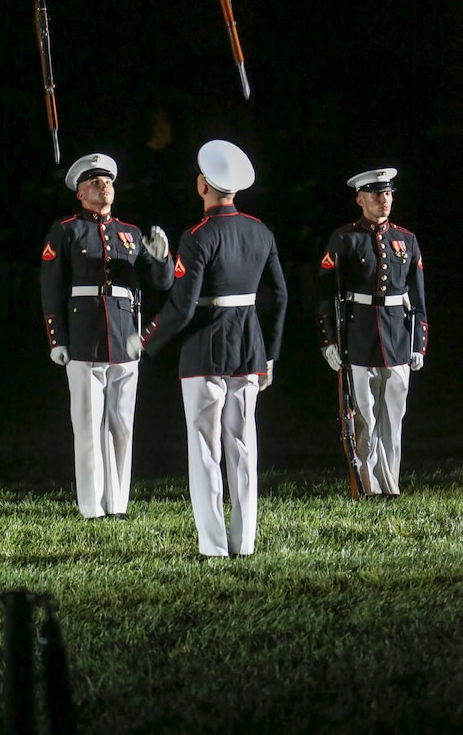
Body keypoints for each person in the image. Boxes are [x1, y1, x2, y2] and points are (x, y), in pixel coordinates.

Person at [127, 140, 288, 557]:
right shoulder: (261, 231)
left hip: (205, 349)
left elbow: (181, 306)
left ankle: (213, 544)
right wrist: (270, 353)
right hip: (249, 348)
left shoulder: (198, 236)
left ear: (203, 185)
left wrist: (145, 340)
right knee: (243, 447)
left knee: (205, 449)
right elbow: (280, 297)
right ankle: (245, 540)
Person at [40, 152, 175, 520]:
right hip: (85, 338)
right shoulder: (66, 230)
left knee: (121, 426)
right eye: (95, 182)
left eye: (109, 181)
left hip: (124, 335)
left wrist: (162, 260)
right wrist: (57, 339)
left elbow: (161, 284)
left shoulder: (129, 234)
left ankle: (117, 504)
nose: (105, 186)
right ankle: (91, 506)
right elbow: (51, 287)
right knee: (87, 427)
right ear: (80, 194)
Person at [317, 167, 427, 497]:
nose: (384, 200)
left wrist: (419, 343)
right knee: (364, 418)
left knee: (394, 417)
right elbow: (325, 294)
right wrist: (329, 341)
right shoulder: (344, 239)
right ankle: (368, 486)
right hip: (359, 335)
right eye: (377, 194)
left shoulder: (406, 240)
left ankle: (389, 483)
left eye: (389, 193)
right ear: (360, 199)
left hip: (396, 336)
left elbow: (418, 297)